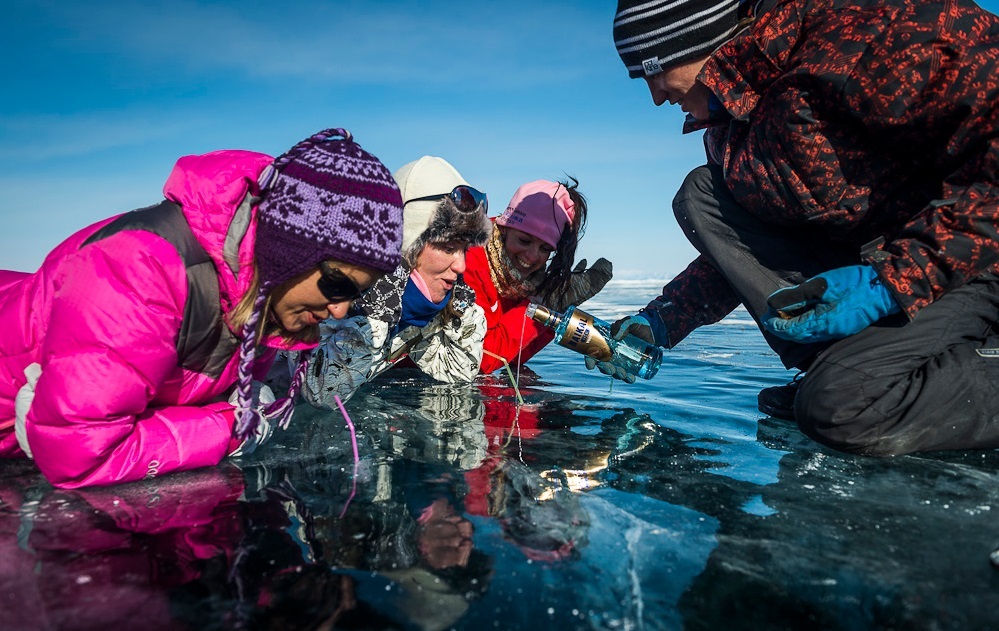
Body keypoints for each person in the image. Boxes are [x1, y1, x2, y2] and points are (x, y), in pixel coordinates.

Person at [602, 0, 999, 456]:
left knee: (841, 407)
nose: (656, 96)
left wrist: (895, 279)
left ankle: (864, 377)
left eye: (654, 71)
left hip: (972, 257)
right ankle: (843, 363)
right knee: (702, 195)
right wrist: (663, 321)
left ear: (695, 37)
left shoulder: (860, 31)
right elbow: (752, 245)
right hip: (889, 262)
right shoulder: (730, 126)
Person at [0, 128, 404, 488]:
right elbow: (81, 457)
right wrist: (228, 428)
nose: (340, 311)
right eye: (337, 285)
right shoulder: (140, 268)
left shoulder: (264, 305)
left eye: (358, 295)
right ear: (287, 251)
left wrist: (233, 411)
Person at [299, 156, 492, 408]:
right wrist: (376, 319)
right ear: (408, 244)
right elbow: (321, 392)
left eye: (464, 250)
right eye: (447, 247)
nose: (461, 266)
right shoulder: (339, 288)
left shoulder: (420, 306)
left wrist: (462, 315)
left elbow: (456, 374)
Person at [464, 178, 614, 374]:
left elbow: (512, 357)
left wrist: (556, 313)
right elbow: (480, 359)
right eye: (524, 240)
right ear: (505, 227)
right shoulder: (470, 259)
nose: (532, 256)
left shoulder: (526, 281)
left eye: (545, 248)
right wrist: (542, 307)